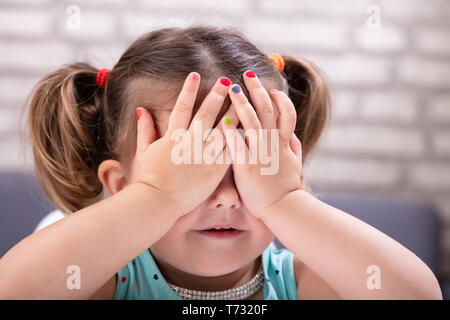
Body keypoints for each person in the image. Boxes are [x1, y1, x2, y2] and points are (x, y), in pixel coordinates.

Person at [0, 25, 442, 300]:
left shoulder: (300, 280)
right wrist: (158, 198)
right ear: (119, 186)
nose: (228, 197)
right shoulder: (104, 272)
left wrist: (285, 201)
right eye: (189, 169)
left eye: (252, 166)